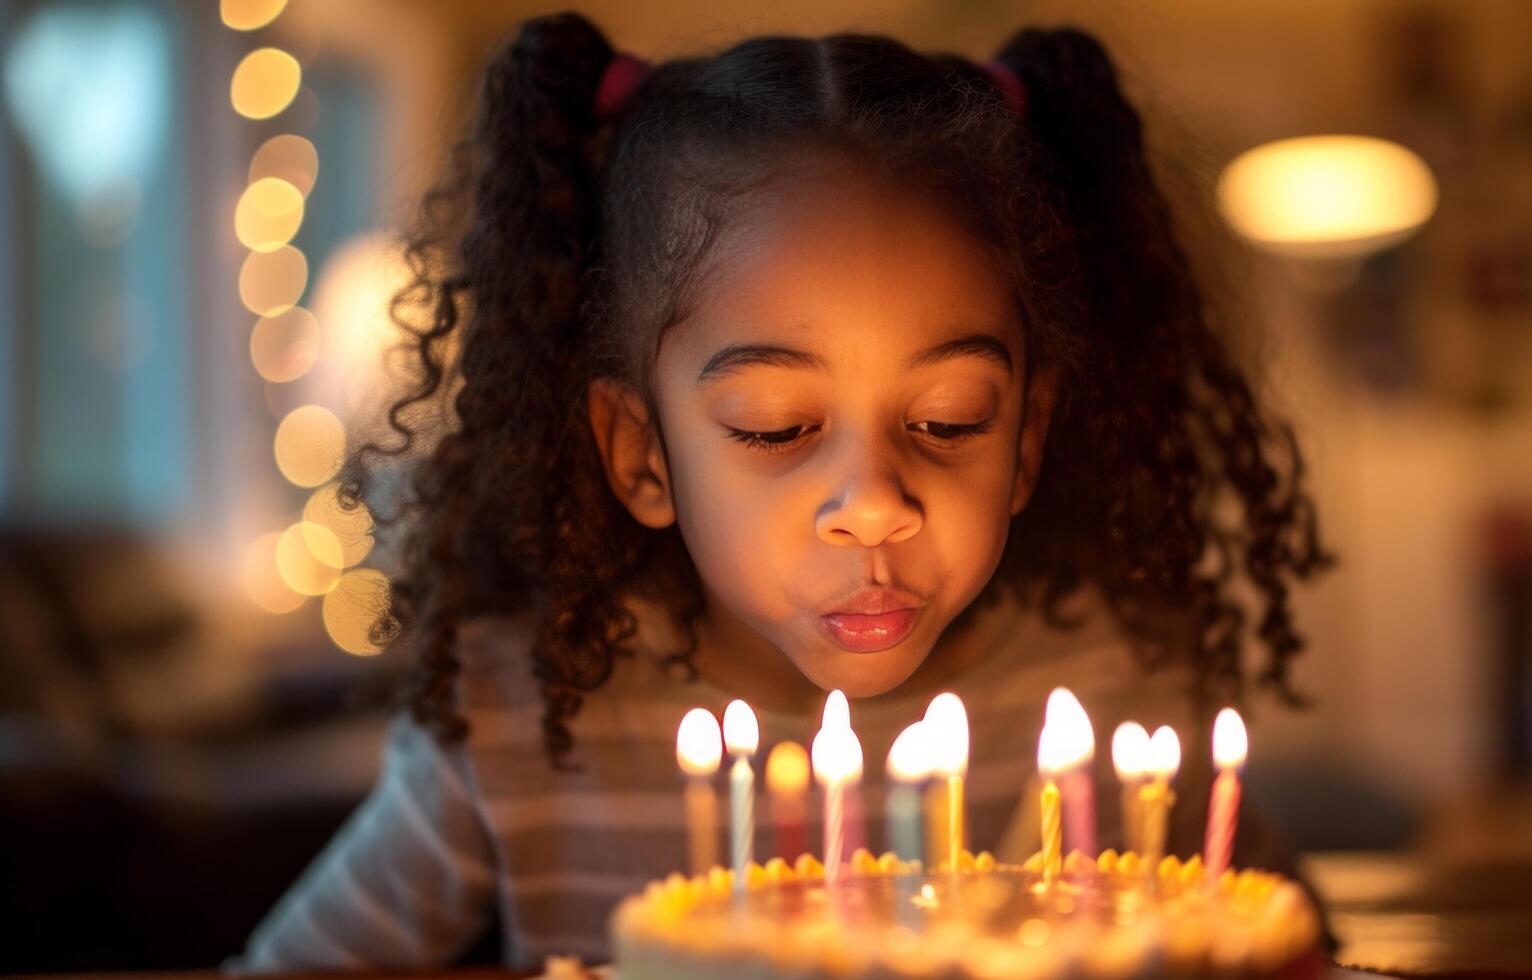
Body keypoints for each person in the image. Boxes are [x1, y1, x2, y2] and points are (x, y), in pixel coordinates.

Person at [231, 11, 1332, 972]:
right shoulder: (515, 731)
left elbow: (1303, 950)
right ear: (641, 454)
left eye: (949, 419)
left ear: (1029, 435)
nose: (873, 500)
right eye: (776, 426)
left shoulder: (1119, 690)